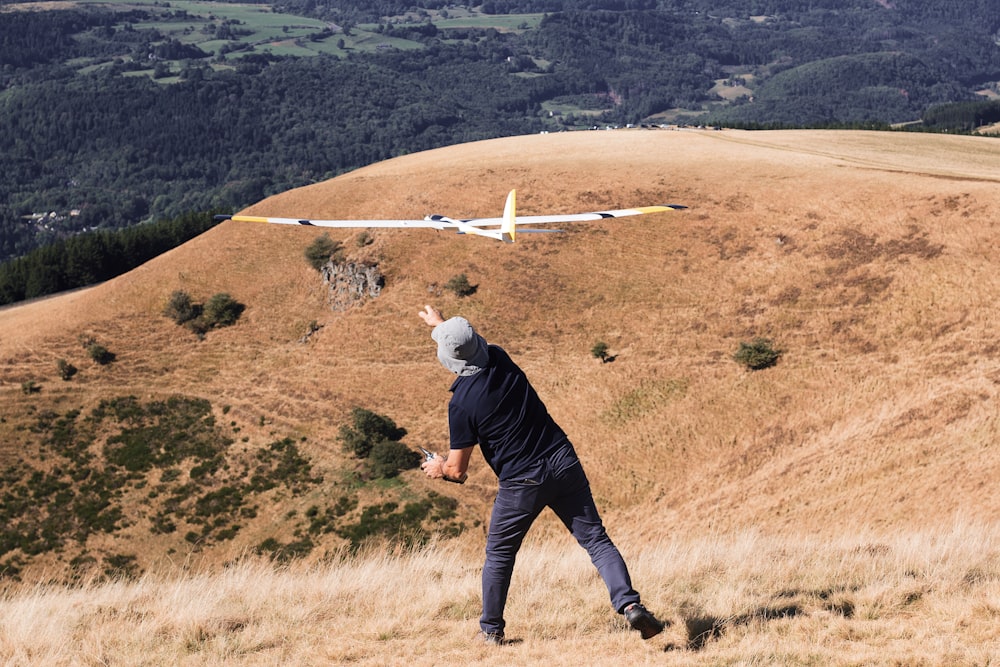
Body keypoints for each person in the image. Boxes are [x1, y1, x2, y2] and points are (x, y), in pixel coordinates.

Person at [418, 305, 665, 645]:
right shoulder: (499, 358)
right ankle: (630, 605)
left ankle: (490, 631)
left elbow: (458, 472)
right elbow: (471, 347)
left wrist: (439, 466)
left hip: (522, 482)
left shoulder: (461, 404)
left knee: (500, 556)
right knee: (596, 540)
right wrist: (443, 325)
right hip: (562, 460)